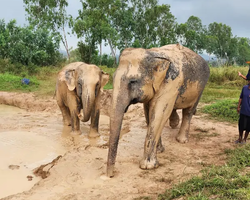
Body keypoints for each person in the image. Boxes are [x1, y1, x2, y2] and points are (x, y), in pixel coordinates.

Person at [235, 79, 250, 144]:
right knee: (241, 125)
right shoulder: (244, 88)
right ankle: (240, 138)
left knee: (248, 127)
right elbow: (241, 98)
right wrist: (238, 106)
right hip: (243, 110)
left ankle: (244, 139)